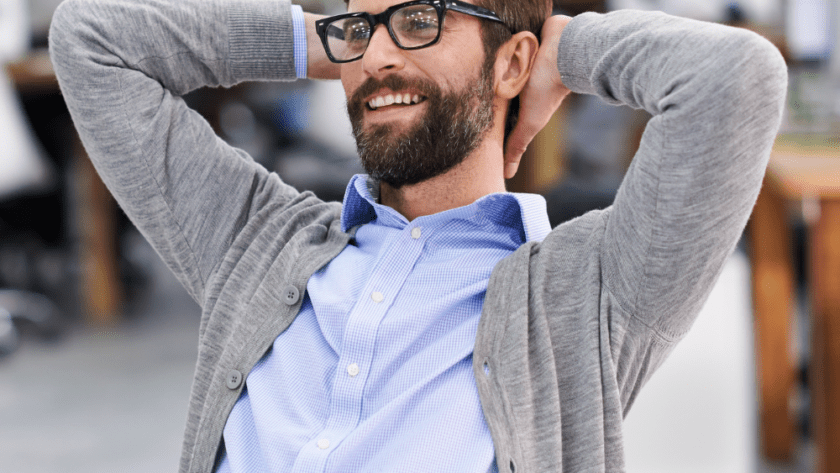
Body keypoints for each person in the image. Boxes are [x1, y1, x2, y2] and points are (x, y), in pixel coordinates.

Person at [48, 0, 787, 471]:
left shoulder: (586, 297)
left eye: (419, 19)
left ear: (513, 64)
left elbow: (735, 79)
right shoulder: (259, 241)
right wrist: (321, 40)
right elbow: (90, 42)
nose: (377, 56)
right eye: (362, 28)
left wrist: (568, 47)